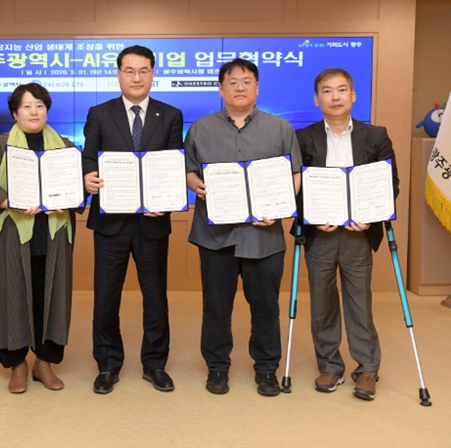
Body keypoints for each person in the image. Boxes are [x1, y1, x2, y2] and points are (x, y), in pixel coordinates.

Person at [184, 58, 302, 397]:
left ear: (257, 88)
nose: (239, 87)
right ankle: (217, 368)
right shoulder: (201, 128)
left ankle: (266, 369)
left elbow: (295, 174)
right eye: (232, 82)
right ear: (221, 89)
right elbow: (189, 170)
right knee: (216, 307)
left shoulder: (280, 128)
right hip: (215, 237)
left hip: (264, 237)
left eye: (247, 81)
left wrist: (279, 207)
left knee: (265, 307)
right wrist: (195, 185)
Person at [83, 45, 183, 394]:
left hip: (152, 222)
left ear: (153, 74)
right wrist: (87, 177)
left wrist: (167, 201)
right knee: (105, 298)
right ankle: (108, 365)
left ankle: (155, 364)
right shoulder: (99, 113)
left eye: (143, 70)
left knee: (155, 298)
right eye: (129, 70)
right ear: (118, 74)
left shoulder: (170, 115)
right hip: (110, 222)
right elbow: (88, 157)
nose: (136, 77)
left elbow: (173, 164)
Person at [296, 68, 398, 401]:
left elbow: (390, 183)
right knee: (322, 303)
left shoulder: (376, 136)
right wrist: (311, 218)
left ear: (353, 95)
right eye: (327, 91)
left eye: (342, 90)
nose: (335, 96)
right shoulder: (303, 137)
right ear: (317, 99)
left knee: (359, 302)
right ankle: (330, 365)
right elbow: (294, 186)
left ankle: (367, 368)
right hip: (320, 235)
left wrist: (371, 217)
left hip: (358, 234)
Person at [0, 83, 81, 394]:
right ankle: (18, 365)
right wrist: (12, 202)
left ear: (47, 110)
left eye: (39, 105)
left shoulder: (65, 146)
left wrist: (68, 198)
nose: (33, 111)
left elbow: (78, 189)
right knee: (12, 296)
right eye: (26, 106)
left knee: (52, 297)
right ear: (15, 113)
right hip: (14, 234)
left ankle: (44, 363)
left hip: (54, 234)